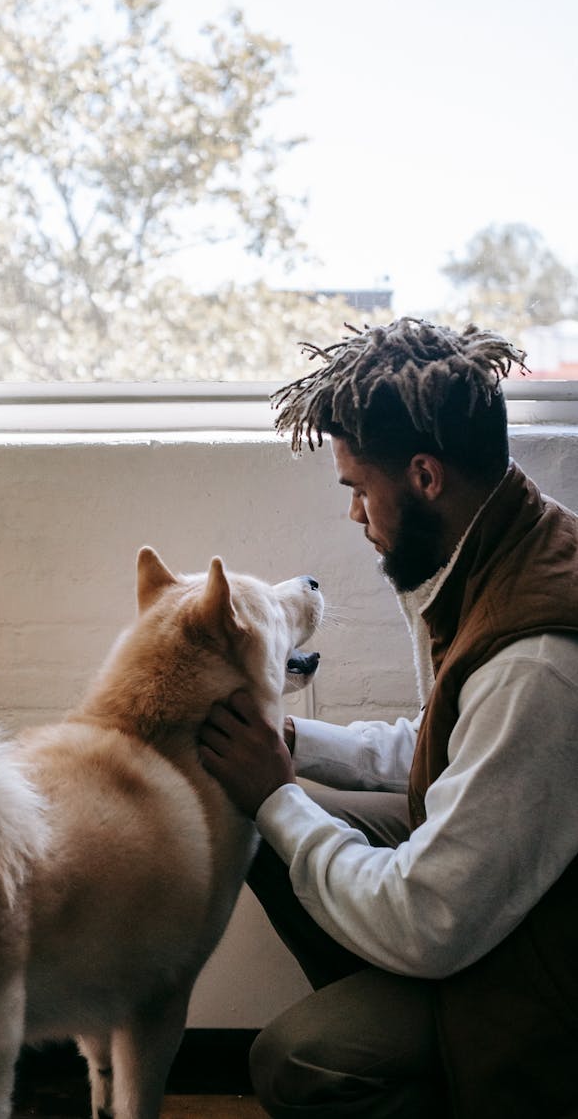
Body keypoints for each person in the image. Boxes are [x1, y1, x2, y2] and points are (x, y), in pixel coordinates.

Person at [198, 317, 578, 1119]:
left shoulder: (537, 662)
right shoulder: (507, 545)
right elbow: (452, 743)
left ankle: (447, 1070)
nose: (355, 516)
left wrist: (278, 793)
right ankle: (406, 1020)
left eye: (358, 488)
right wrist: (294, 750)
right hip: (500, 893)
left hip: (542, 965)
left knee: (295, 1057)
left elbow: (429, 916)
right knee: (269, 821)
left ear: (425, 476)